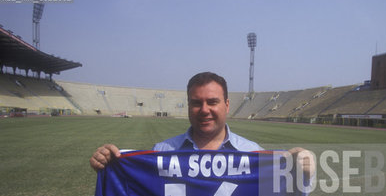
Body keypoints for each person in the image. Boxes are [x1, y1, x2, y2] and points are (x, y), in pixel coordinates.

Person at [90, 72, 263, 171]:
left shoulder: (256, 155)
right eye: (196, 103)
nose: (204, 110)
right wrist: (111, 167)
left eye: (212, 102)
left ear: (226, 105)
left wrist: (289, 168)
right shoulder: (161, 153)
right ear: (188, 106)